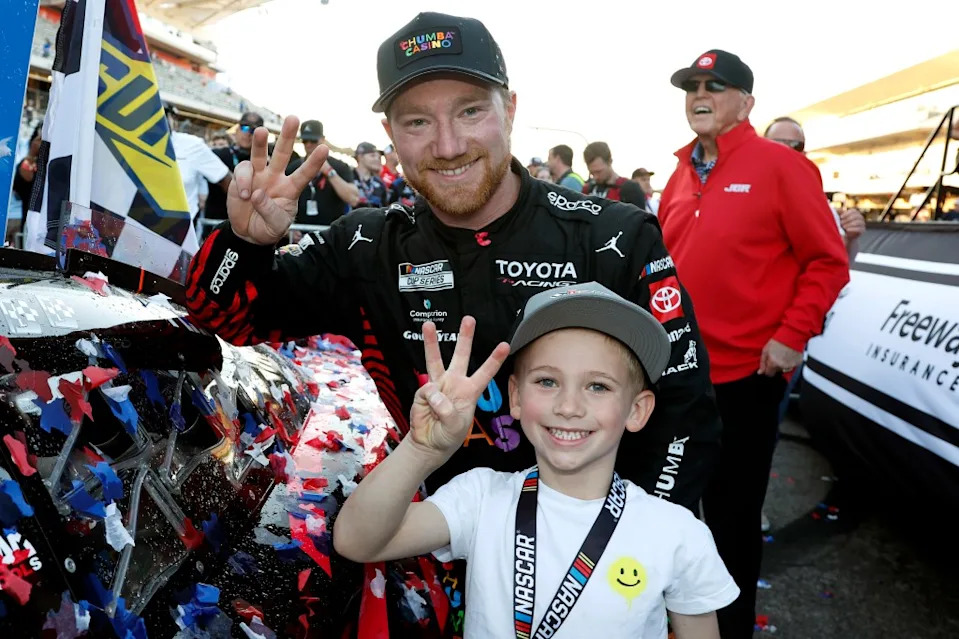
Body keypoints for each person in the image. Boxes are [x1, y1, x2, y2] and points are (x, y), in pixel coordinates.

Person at [185, 11, 722, 630]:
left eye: (470, 111)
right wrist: (243, 245)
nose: (447, 144)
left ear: (510, 110)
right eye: (418, 121)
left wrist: (641, 549)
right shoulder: (367, 245)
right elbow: (225, 322)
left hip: (602, 560)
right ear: (390, 132)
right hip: (437, 541)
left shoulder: (613, 237)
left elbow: (684, 412)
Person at [334, 282, 739, 639]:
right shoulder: (480, 498)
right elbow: (357, 540)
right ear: (515, 396)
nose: (568, 405)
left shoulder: (676, 533)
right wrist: (422, 450)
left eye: (598, 386)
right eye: (547, 381)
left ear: (637, 410)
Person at [657, 49, 850, 639]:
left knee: (733, 516)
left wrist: (792, 336)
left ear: (746, 103)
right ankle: (678, 619)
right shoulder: (680, 171)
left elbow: (827, 261)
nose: (699, 95)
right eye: (691, 86)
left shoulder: (781, 166)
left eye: (714, 86)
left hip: (747, 376)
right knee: (672, 506)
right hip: (679, 372)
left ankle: (731, 628)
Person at [763, 116, 866, 256]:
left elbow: (840, 262)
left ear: (804, 154)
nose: (786, 150)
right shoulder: (738, 193)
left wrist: (851, 238)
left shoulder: (817, 203)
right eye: (777, 143)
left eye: (795, 145)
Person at [166, 104, 231, 223]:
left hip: (180, 228)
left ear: (172, 118)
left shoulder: (192, 145)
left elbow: (226, 179)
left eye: (164, 114)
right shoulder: (129, 145)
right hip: (134, 227)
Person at [287, 119, 359, 226]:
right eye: (305, 141)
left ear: (323, 140)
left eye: (313, 140)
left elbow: (353, 199)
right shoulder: (294, 167)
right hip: (299, 232)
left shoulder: (339, 166)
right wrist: (289, 227)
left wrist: (329, 172)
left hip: (330, 234)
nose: (309, 145)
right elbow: (283, 200)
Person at [204, 112, 262, 223]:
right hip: (217, 223)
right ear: (237, 130)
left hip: (248, 226)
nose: (248, 133)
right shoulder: (217, 155)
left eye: (254, 130)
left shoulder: (264, 162)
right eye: (244, 128)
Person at [583, 141, 647, 209]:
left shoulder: (630, 189)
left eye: (599, 172)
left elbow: (640, 218)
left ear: (610, 161)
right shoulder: (588, 189)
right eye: (592, 173)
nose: (595, 177)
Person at [353, 142, 389, 207]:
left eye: (378, 157)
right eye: (372, 155)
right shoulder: (347, 177)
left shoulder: (380, 184)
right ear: (360, 157)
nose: (377, 159)